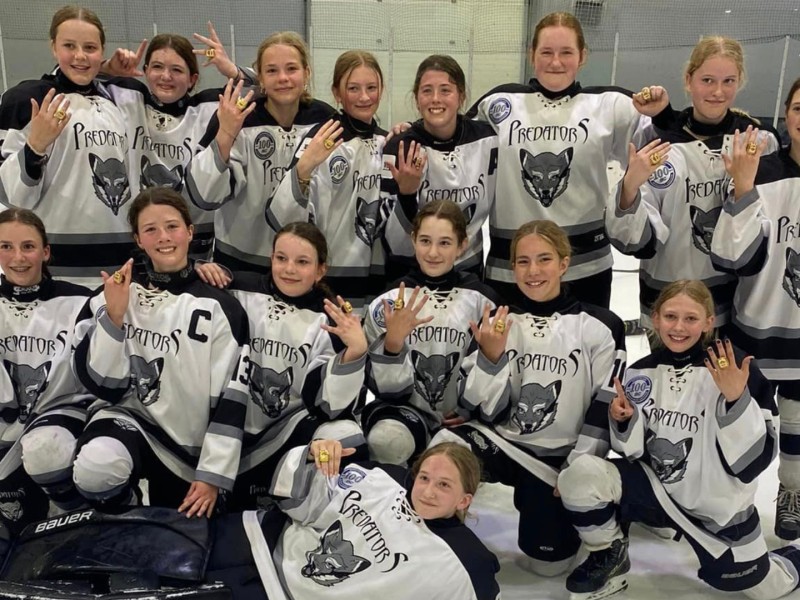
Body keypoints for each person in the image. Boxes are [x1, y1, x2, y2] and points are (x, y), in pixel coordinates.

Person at [557, 280, 800, 600]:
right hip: (659, 497)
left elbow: (752, 465)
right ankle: (609, 555)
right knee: (581, 474)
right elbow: (632, 452)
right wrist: (624, 422)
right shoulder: (640, 372)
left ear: (709, 322)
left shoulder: (737, 367)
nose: (679, 327)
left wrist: (735, 399)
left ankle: (793, 558)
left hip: (718, 512)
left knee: (762, 590)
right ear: (654, 319)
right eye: (670, 317)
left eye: (690, 318)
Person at [433, 220, 626, 577]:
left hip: (557, 461)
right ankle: (442, 540)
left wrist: (576, 471)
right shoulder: (499, 319)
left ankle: (583, 523)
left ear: (564, 263)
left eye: (544, 259)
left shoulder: (601, 325)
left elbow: (604, 406)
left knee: (547, 566)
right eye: (522, 261)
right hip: (506, 446)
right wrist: (491, 360)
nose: (533, 271)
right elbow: (484, 410)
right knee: (445, 446)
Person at [71, 188, 250, 518]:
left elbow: (233, 396)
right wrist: (114, 317)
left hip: (186, 446)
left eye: (172, 226)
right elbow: (103, 385)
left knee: (182, 536)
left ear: (190, 231)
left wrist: (212, 473)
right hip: (129, 419)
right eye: (150, 229)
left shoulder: (222, 307)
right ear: (138, 239)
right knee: (96, 468)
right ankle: (123, 522)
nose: (163, 237)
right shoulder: (113, 291)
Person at [466, 11, 659, 308]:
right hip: (511, 269)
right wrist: (409, 134)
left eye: (566, 52)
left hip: (586, 268)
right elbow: (451, 141)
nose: (555, 62)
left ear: (582, 56)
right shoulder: (498, 104)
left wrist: (664, 113)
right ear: (532, 55)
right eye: (546, 52)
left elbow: (668, 143)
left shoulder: (611, 104)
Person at [605, 35, 780, 329]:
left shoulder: (758, 141)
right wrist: (629, 188)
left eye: (728, 81)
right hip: (665, 300)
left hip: (726, 303)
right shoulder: (659, 141)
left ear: (740, 82)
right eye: (707, 80)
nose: (718, 92)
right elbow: (636, 239)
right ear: (689, 80)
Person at [206, 440, 501, 600]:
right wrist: (313, 456)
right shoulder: (384, 478)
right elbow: (305, 504)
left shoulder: (469, 562)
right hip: (266, 544)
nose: (427, 491)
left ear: (465, 500)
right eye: (424, 478)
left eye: (444, 485)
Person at [224, 221, 369, 510]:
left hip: (290, 430)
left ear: (320, 270)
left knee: (346, 439)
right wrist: (210, 271)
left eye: (302, 262)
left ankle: (310, 508)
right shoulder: (240, 289)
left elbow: (328, 406)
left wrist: (355, 351)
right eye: (281, 258)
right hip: (232, 425)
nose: (289, 269)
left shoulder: (331, 318)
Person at [710, 79, 800, 540]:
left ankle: (792, 493)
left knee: (799, 430)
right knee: (745, 426)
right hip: (758, 328)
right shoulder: (760, 172)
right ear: (786, 115)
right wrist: (742, 189)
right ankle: (736, 503)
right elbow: (731, 257)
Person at [0, 5, 132, 287]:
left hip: (119, 262)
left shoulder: (117, 101)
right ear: (52, 47)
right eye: (69, 46)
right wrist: (34, 147)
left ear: (102, 51)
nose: (81, 56)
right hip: (55, 265)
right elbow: (11, 196)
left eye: (90, 47)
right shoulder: (25, 100)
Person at [362, 200, 501, 465]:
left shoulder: (483, 302)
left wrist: (470, 407)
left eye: (445, 243)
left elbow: (494, 380)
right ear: (413, 240)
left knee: (448, 460)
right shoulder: (389, 301)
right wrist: (392, 344)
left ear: (462, 245)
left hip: (462, 419)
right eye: (425, 241)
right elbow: (387, 391)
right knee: (387, 442)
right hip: (404, 411)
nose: (433, 252)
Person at [100, 26, 253, 261]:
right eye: (158, 67)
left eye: (177, 70)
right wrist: (108, 68)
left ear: (193, 79)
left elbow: (269, 90)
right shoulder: (128, 98)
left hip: (196, 252)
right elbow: (77, 79)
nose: (166, 76)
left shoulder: (211, 108)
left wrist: (231, 69)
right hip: (140, 244)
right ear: (145, 70)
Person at [186, 31, 334, 273]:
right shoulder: (238, 117)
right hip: (239, 267)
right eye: (272, 70)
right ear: (261, 77)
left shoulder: (324, 120)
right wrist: (225, 134)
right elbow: (204, 196)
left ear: (307, 73)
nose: (283, 78)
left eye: (291, 69)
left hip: (296, 268)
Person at [267, 50, 389, 312]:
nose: (364, 97)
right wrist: (304, 167)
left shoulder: (385, 142)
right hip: (327, 280)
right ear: (336, 93)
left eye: (371, 87)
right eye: (353, 88)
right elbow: (280, 216)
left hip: (376, 280)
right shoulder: (321, 140)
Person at [0, 208, 94, 535]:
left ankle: (76, 512)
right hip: (5, 425)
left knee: (45, 449)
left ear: (46, 251)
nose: (18, 257)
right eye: (6, 247)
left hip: (61, 419)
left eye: (28, 246)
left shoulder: (82, 301)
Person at [381, 55, 498, 281]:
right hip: (411, 276)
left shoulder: (488, 139)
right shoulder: (400, 147)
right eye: (426, 91)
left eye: (445, 90)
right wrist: (406, 193)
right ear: (416, 99)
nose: (436, 99)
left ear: (461, 96)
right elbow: (394, 242)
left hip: (467, 274)